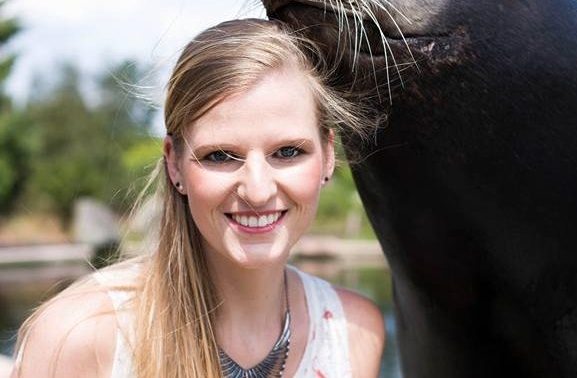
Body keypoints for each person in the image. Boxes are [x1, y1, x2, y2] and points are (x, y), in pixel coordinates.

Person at [11, 19, 385, 378]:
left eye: (287, 152)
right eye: (220, 155)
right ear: (174, 165)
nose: (257, 190)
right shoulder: (79, 337)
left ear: (328, 155)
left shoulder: (353, 334)